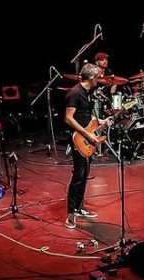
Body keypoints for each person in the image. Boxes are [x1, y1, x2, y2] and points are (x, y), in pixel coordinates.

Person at [64, 63, 108, 229]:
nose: (100, 80)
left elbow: (85, 116)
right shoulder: (75, 93)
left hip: (88, 137)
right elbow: (68, 118)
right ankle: (70, 214)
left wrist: (101, 122)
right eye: (98, 77)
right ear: (92, 78)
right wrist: (86, 133)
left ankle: (79, 207)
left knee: (85, 174)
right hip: (79, 138)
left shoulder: (88, 93)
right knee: (78, 176)